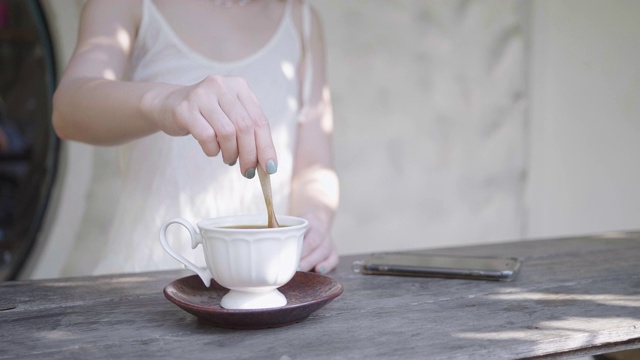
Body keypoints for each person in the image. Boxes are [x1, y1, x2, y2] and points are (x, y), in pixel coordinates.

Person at [52, 0, 339, 275]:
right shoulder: (131, 5)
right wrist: (165, 102)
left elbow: (314, 164)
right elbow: (67, 111)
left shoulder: (302, 21)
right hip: (148, 281)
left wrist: (314, 220)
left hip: (263, 282)